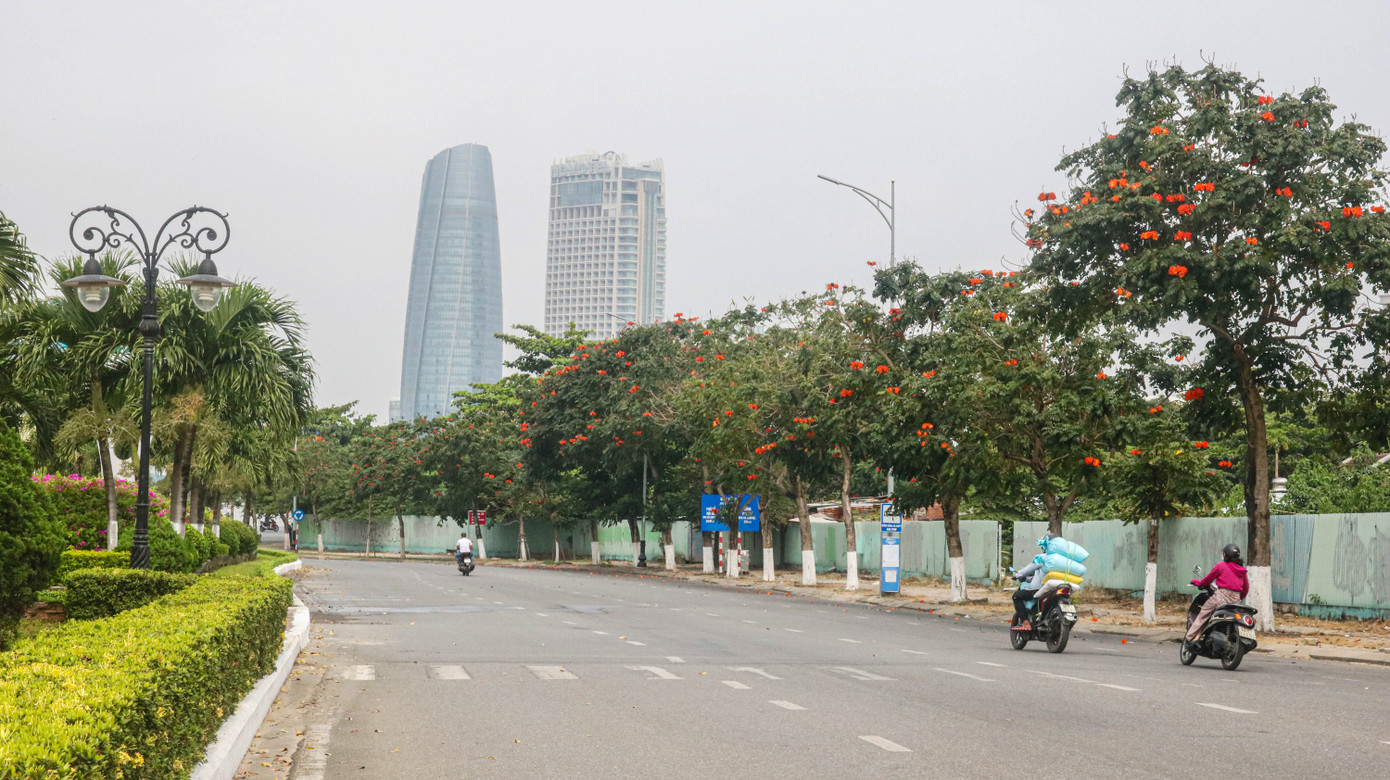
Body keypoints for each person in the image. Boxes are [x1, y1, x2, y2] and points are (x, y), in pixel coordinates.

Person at [1185, 544, 1249, 647]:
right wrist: (1239, 598)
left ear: (1225, 555)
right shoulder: (1242, 571)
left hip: (1220, 596)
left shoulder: (1221, 566)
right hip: (1235, 601)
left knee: (1204, 613)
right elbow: (1246, 589)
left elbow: (1207, 580)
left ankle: (1190, 638)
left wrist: (1197, 582)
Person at [1012, 555, 1045, 630]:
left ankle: (1025, 623)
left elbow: (1029, 568)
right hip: (1057, 588)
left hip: (1040, 589)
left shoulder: (1043, 557)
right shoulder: (1065, 560)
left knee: (1016, 596)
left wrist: (1017, 575)